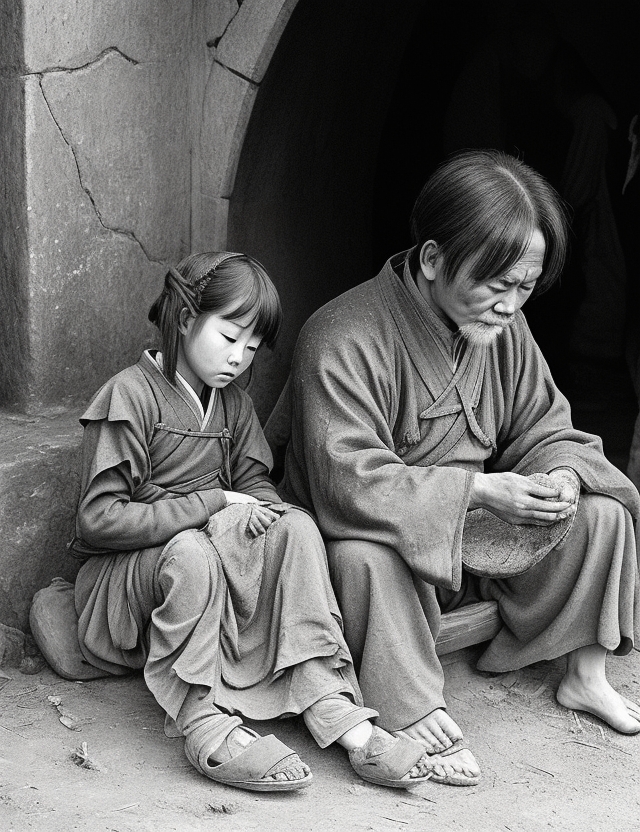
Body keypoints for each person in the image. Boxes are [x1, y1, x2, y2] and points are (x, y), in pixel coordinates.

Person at [270, 150, 640, 788]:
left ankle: (584, 675)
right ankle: (413, 708)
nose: (508, 306)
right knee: (363, 556)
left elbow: (545, 426)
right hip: (372, 547)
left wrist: (560, 476)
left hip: (468, 542)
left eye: (524, 288)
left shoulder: (506, 329)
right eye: (495, 286)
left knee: (600, 512)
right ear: (434, 258)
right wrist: (477, 488)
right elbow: (346, 482)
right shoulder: (341, 335)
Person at [69, 251, 435, 792]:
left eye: (253, 347)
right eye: (229, 336)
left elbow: (254, 484)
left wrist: (262, 514)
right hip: (125, 577)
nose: (240, 357)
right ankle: (200, 719)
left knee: (297, 526)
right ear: (186, 316)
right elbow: (99, 520)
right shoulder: (130, 395)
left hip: (207, 550)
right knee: (192, 551)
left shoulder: (232, 406)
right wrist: (214, 506)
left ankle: (327, 700)